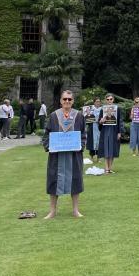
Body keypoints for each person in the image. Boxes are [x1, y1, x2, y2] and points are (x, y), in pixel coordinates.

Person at [43, 90, 86, 219]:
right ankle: (52, 211)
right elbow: (46, 134)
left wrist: (81, 145)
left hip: (74, 155)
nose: (67, 101)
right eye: (65, 99)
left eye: (69, 99)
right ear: (61, 101)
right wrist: (49, 146)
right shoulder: (53, 116)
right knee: (53, 180)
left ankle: (75, 210)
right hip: (56, 155)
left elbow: (83, 134)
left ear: (73, 101)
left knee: (75, 180)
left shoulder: (79, 116)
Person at [97, 94, 122, 173]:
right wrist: (101, 121)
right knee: (106, 149)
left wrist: (119, 132)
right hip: (105, 131)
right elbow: (99, 122)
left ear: (113, 99)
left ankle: (110, 168)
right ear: (105, 100)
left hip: (114, 131)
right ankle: (106, 168)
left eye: (111, 99)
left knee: (112, 149)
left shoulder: (117, 109)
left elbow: (120, 121)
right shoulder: (102, 110)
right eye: (107, 99)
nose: (109, 101)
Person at [85, 96, 102, 162]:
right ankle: (91, 157)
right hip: (92, 127)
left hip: (100, 128)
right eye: (96, 101)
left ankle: (99, 158)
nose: (98, 103)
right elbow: (86, 118)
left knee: (99, 142)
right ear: (94, 102)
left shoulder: (102, 109)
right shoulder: (90, 109)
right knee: (91, 142)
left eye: (99, 101)